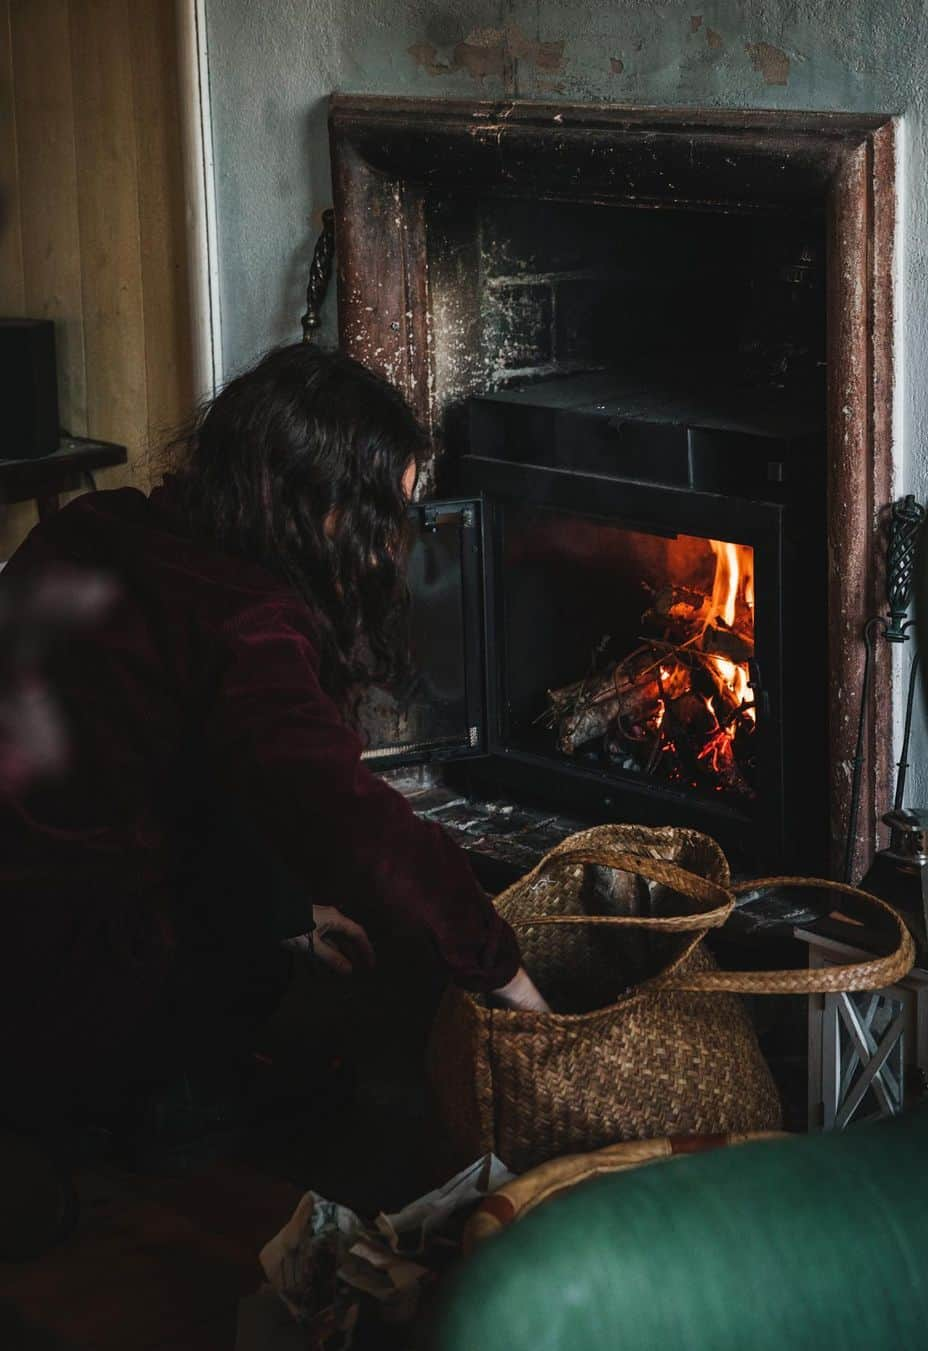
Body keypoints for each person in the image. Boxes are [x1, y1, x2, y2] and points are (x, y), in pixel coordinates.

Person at [0, 343, 546, 1126]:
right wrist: (507, 973)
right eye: (378, 516)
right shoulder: (246, 625)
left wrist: (291, 908)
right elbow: (349, 820)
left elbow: (151, 772)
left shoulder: (101, 522)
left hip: (26, 904)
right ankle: (167, 1103)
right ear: (316, 506)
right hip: (49, 974)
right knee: (270, 986)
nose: (383, 549)